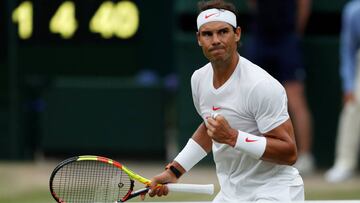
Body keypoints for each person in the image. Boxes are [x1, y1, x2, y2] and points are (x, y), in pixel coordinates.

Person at [142, 0, 304, 202]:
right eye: (207, 34)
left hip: (274, 190)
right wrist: (173, 171)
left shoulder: (260, 85)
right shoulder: (199, 79)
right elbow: (210, 129)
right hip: (231, 194)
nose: (215, 40)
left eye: (223, 32)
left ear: (237, 34)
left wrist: (233, 137)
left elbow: (289, 152)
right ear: (199, 39)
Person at [243, 0, 315, 175]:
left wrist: (294, 33)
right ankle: (249, 154)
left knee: (296, 98)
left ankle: (305, 156)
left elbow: (304, 4)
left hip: (287, 37)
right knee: (248, 94)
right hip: (260, 36)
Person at [325, 0, 360, 183]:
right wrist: (348, 86)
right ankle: (345, 163)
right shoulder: (354, 10)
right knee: (352, 108)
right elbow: (348, 50)